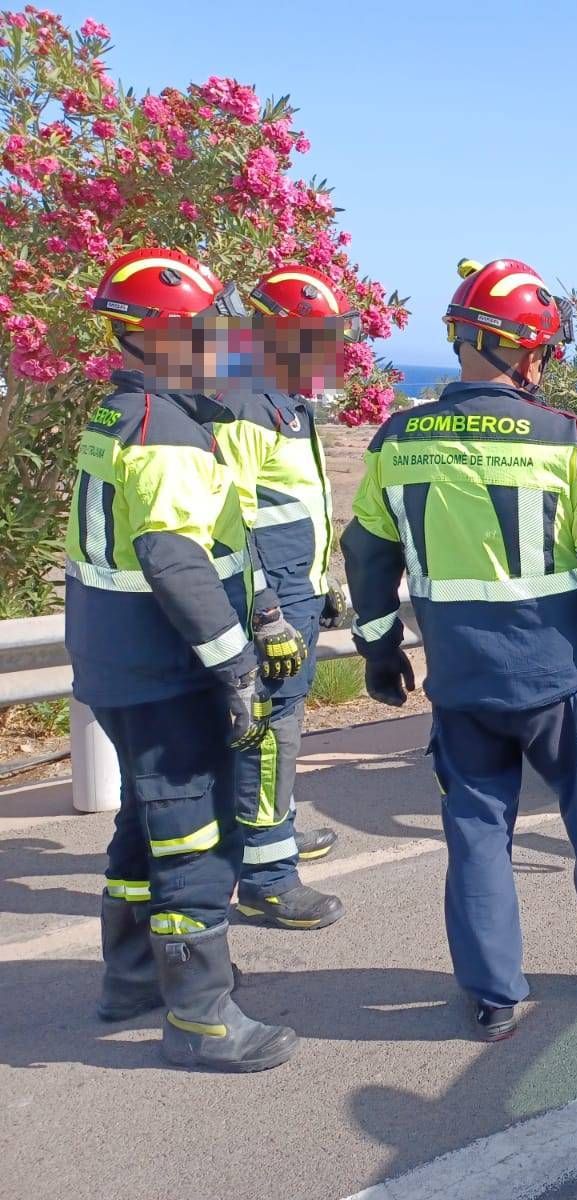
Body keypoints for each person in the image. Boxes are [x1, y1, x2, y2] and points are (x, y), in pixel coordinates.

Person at [342, 258, 577, 1041]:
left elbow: (368, 552)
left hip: (461, 681)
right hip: (559, 677)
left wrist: (377, 648)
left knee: (476, 833)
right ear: (526, 351)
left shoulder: (397, 439)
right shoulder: (564, 437)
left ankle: (492, 995)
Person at [69, 247, 304, 1071]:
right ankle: (201, 1015)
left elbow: (209, 544)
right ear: (160, 337)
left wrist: (264, 608)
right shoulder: (165, 431)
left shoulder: (125, 413)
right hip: (163, 668)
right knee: (194, 835)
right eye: (206, 332)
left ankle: (131, 979)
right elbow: (174, 558)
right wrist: (237, 665)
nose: (222, 346)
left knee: (144, 818)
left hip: (118, 663)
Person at [202, 264, 354, 931]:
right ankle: (268, 875)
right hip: (265, 603)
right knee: (270, 727)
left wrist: (322, 583)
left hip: (297, 590)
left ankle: (277, 828)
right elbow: (225, 521)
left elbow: (293, 507)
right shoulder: (245, 403)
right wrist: (265, 610)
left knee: (281, 722)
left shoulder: (282, 399)